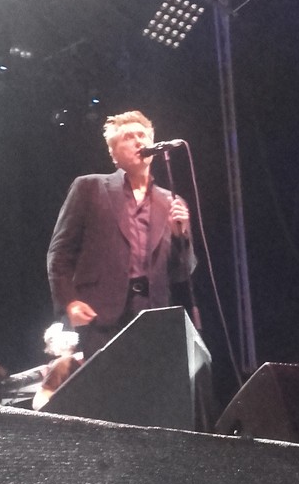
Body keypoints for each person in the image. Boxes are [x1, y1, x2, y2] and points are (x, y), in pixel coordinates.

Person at [47, 110, 196, 355]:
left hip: (153, 319)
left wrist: (181, 238)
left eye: (142, 135)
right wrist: (70, 302)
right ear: (113, 153)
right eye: (128, 137)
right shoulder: (89, 187)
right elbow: (59, 253)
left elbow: (181, 273)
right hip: (99, 317)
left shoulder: (171, 201)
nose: (138, 142)